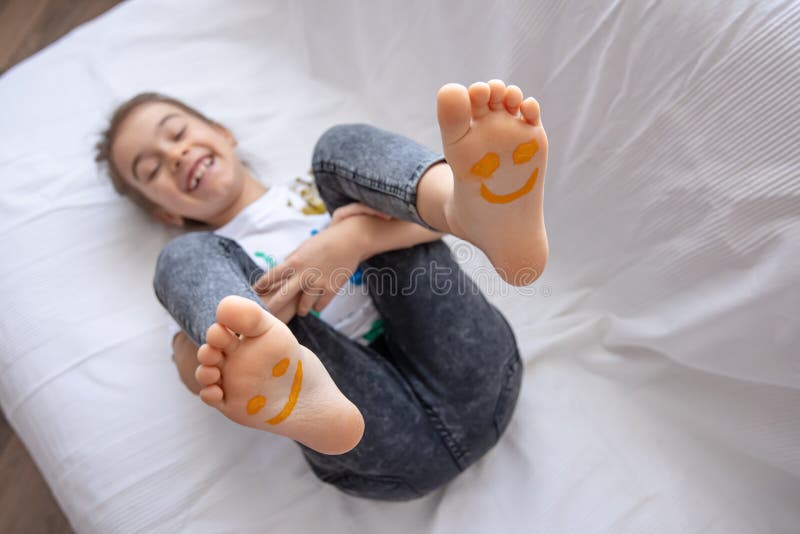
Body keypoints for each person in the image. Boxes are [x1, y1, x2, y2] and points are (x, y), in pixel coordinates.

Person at [95, 79, 549, 500]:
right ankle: (253, 350)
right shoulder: (210, 263)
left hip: (475, 368)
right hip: (367, 435)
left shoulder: (325, 190)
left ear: (223, 132)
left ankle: (463, 208)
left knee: (336, 149)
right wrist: (216, 345)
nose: (174, 156)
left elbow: (420, 234)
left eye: (176, 133)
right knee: (181, 260)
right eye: (152, 170)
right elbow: (192, 367)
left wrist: (355, 239)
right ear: (165, 215)